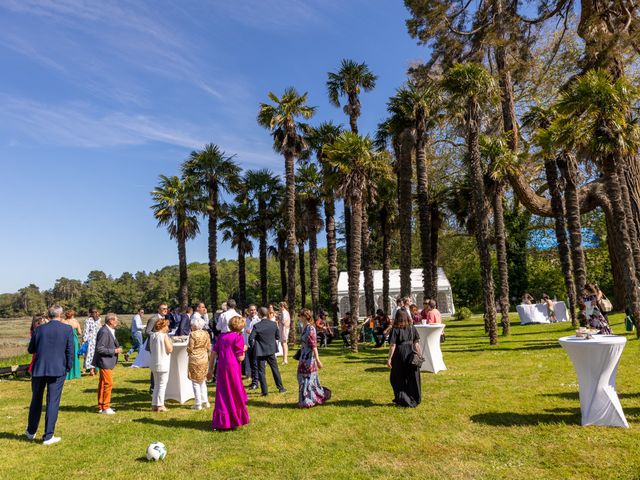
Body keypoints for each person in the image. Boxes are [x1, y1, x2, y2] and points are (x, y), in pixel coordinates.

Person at [26, 305, 73, 445]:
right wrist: (68, 367)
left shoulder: (39, 329)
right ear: (61, 314)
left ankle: (31, 431)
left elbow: (31, 349)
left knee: (36, 400)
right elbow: (70, 351)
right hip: (58, 369)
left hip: (39, 368)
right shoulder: (67, 329)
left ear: (49, 314)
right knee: (52, 401)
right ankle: (48, 436)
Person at [208, 315, 249, 430]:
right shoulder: (238, 337)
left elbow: (213, 353)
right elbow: (240, 358)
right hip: (233, 368)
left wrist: (210, 369)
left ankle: (222, 421)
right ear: (241, 327)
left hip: (222, 367)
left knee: (222, 392)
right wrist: (244, 349)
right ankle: (234, 418)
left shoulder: (222, 336)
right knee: (234, 392)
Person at [386, 307, 422, 408]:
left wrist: (389, 358)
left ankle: (403, 399)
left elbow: (393, 345)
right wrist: (419, 355)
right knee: (412, 377)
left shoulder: (395, 329)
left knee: (397, 378)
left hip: (400, 354)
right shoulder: (412, 327)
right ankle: (413, 398)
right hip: (411, 352)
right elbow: (416, 343)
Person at [297, 309, 331, 408]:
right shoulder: (303, 327)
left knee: (308, 379)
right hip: (303, 356)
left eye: (300, 316)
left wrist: (318, 360)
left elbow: (314, 345)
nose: (298, 317)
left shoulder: (310, 328)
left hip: (309, 358)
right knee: (301, 378)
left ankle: (309, 400)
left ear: (304, 316)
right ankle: (306, 399)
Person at [94, 312, 122, 415]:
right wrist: (114, 351)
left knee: (103, 383)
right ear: (110, 321)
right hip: (104, 361)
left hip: (106, 361)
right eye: (116, 320)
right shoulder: (105, 331)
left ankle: (102, 405)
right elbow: (100, 349)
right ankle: (106, 407)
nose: (117, 321)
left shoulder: (108, 330)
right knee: (108, 384)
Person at [150, 318, 174, 412]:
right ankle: (160, 405)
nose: (168, 327)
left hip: (154, 362)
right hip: (163, 362)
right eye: (167, 325)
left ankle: (154, 404)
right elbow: (170, 349)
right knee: (162, 385)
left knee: (156, 384)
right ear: (163, 326)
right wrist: (170, 341)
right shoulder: (164, 336)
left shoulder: (152, 336)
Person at [188, 315, 211, 410]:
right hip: (204, 357)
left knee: (195, 382)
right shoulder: (206, 333)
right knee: (202, 380)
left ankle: (198, 403)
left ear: (195, 326)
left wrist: (188, 351)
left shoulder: (192, 334)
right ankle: (205, 401)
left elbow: (190, 347)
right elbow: (208, 346)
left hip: (195, 359)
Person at [61, 309, 82, 380]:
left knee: (66, 355)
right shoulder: (75, 322)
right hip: (74, 340)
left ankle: (67, 373)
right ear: (72, 315)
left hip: (65, 340)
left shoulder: (63, 322)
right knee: (75, 356)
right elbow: (79, 332)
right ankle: (76, 373)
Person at [83, 308, 101, 376]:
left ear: (90, 313)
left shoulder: (87, 320)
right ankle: (96, 368)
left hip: (90, 339)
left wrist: (84, 340)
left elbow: (86, 331)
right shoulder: (99, 319)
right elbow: (100, 329)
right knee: (96, 354)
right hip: (97, 338)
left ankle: (91, 370)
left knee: (90, 354)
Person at [277, 301, 291, 365]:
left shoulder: (284, 312)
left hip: (284, 329)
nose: (279, 308)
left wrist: (278, 319)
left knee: (284, 343)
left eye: (279, 306)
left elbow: (284, 322)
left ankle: (285, 359)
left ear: (282, 306)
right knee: (284, 344)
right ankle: (285, 359)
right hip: (284, 329)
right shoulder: (285, 312)